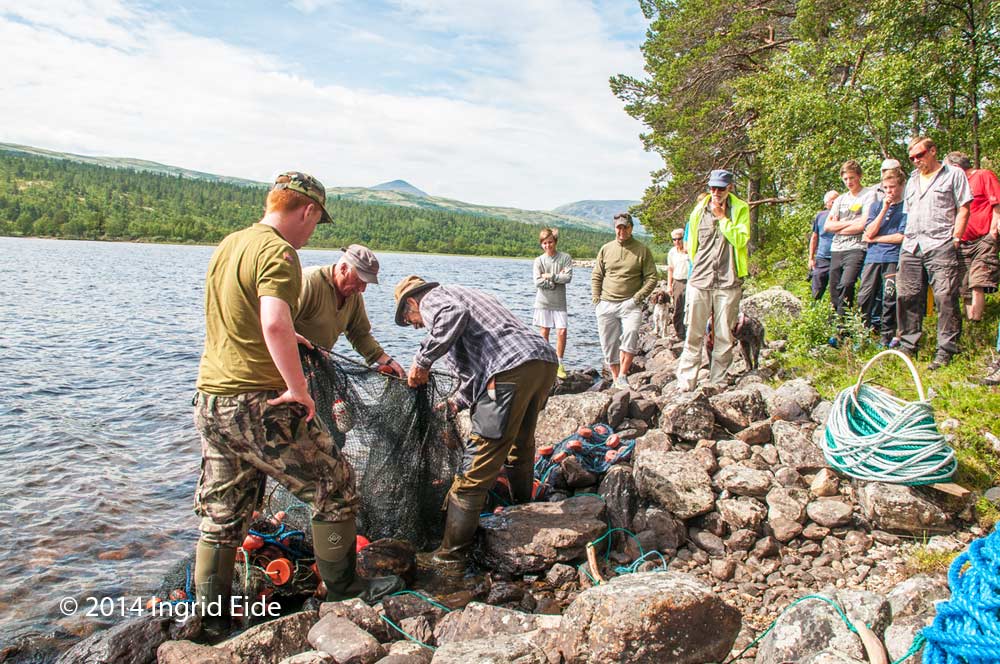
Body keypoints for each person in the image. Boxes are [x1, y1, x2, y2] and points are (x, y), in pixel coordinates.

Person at [192, 172, 398, 637]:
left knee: (224, 511)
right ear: (306, 211)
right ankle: (344, 589)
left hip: (212, 399)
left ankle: (210, 619)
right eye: (316, 223)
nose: (312, 233)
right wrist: (298, 389)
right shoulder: (281, 253)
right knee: (336, 485)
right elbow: (274, 324)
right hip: (259, 400)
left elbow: (241, 316)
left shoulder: (230, 244)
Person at [394, 276, 558, 569]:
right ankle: (523, 509)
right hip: (542, 362)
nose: (415, 326)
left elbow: (451, 316)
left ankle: (449, 556)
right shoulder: (468, 291)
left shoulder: (434, 300)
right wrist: (455, 403)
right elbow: (474, 375)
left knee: (476, 466)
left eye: (410, 320)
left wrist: (421, 360)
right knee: (520, 444)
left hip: (509, 370)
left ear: (412, 302)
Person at [898, 136, 972, 369]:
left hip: (940, 242)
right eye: (912, 158)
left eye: (920, 155)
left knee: (945, 297)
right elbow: (909, 213)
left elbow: (964, 207)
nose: (916, 161)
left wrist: (956, 238)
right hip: (911, 245)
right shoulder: (911, 180)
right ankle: (908, 345)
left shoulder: (953, 174)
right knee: (907, 295)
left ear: (932, 151)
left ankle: (946, 349)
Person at [675, 169, 751, 391]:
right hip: (700, 278)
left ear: (730, 188)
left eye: (720, 188)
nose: (716, 192)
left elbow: (740, 240)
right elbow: (692, 246)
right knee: (694, 332)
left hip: (729, 280)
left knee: (724, 335)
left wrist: (722, 218)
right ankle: (686, 381)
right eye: (712, 188)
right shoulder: (698, 211)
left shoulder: (741, 209)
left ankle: (717, 381)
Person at [295, 244, 404, 377]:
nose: (362, 289)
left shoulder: (354, 296)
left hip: (315, 369)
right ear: (343, 268)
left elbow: (359, 334)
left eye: (366, 283)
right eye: (359, 281)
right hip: (281, 366)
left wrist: (388, 360)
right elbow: (277, 325)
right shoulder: (310, 282)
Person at [591, 212, 658, 390]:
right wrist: (596, 299)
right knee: (609, 343)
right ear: (615, 228)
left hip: (631, 303)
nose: (622, 231)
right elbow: (597, 275)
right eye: (619, 227)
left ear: (631, 228)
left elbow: (652, 278)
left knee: (631, 334)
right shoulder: (606, 249)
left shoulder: (642, 250)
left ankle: (623, 375)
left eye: (625, 227)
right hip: (606, 303)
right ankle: (615, 378)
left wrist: (637, 298)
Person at [943, 151, 1000, 322]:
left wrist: (993, 231)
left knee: (978, 281)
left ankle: (976, 320)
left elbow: (997, 203)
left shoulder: (983, 175)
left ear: (955, 167)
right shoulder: (955, 185)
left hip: (983, 238)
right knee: (965, 285)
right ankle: (971, 323)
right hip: (962, 241)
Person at [825, 161, 878, 333]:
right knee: (834, 288)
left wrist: (840, 225)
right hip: (837, 248)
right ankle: (838, 329)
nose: (849, 182)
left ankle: (847, 326)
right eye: (846, 179)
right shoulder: (840, 199)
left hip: (857, 247)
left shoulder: (869, 195)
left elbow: (864, 224)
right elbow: (827, 226)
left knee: (847, 284)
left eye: (852, 178)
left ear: (859, 176)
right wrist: (850, 224)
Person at [857, 168, 907, 346]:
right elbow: (868, 231)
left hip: (892, 258)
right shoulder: (876, 206)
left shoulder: (906, 207)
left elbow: (900, 237)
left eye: (892, 187)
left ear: (901, 186)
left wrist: (876, 238)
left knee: (889, 298)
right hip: (873, 257)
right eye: (885, 187)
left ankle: (887, 337)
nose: (889, 191)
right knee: (865, 296)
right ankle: (861, 334)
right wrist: (885, 208)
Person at [532, 228, 573, 379]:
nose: (547, 245)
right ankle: (546, 363)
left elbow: (567, 278)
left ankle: (560, 363)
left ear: (555, 242)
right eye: (544, 243)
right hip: (543, 302)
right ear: (541, 244)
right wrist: (555, 281)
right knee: (544, 332)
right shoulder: (538, 261)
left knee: (562, 332)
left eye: (550, 242)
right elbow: (537, 281)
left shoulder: (565, 258)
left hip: (560, 303)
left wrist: (550, 276)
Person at [808, 190, 839, 301]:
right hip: (822, 257)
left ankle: (836, 314)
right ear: (827, 204)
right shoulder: (820, 216)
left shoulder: (844, 215)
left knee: (837, 288)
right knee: (817, 286)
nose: (835, 203)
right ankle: (814, 309)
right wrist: (811, 258)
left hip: (838, 256)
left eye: (837, 200)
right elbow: (814, 237)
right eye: (833, 201)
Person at [666, 227, 691, 339]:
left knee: (691, 308)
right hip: (678, 281)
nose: (677, 242)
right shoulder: (672, 252)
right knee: (678, 308)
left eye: (679, 239)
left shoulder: (689, 251)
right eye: (674, 239)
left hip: (690, 280)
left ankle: (690, 333)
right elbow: (670, 269)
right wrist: (669, 285)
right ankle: (679, 333)